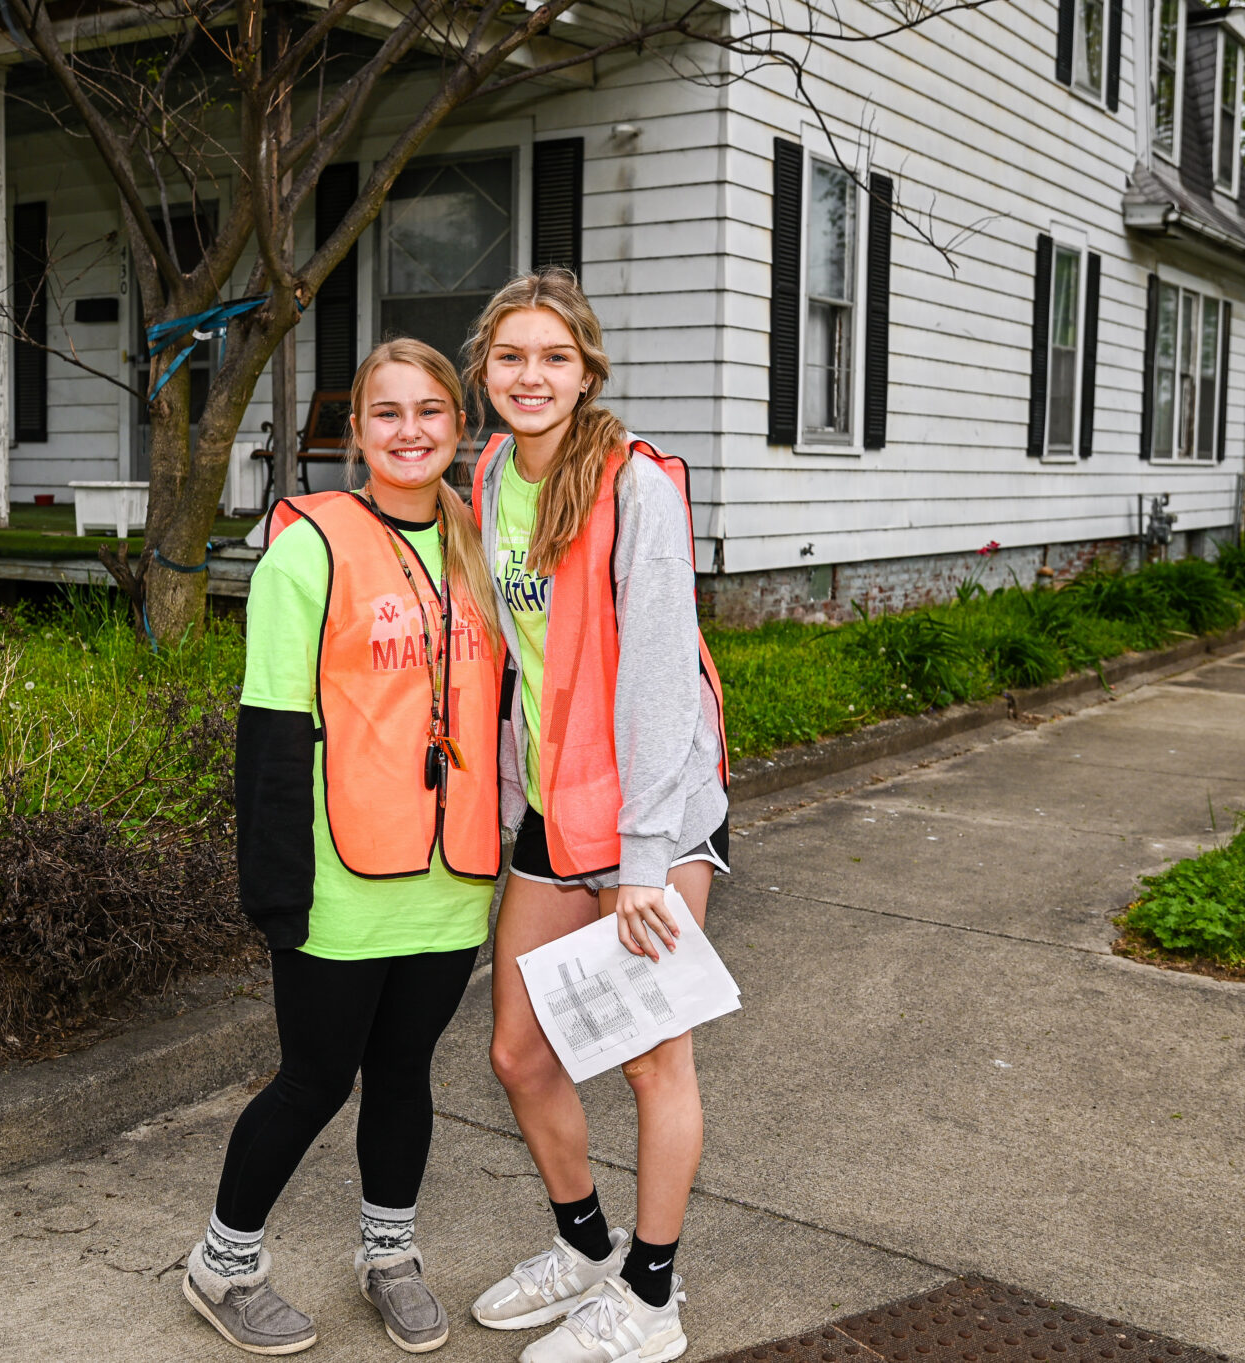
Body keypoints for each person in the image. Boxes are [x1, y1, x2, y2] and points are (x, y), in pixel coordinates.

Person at [183, 338, 502, 1356]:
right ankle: (222, 1264)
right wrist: (277, 890)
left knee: (404, 1070)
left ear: (461, 426)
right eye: (386, 413)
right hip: (337, 877)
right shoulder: (307, 548)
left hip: (451, 878)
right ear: (353, 430)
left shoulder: (478, 544)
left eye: (430, 412)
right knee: (314, 1077)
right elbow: (270, 732)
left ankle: (387, 1252)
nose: (410, 432)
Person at [464, 269, 729, 1363]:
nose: (531, 377)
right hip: (552, 808)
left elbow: (661, 681)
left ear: (587, 371)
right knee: (520, 1054)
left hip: (649, 822)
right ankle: (584, 1247)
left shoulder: (634, 488)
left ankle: (651, 1298)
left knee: (645, 1059)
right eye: (510, 357)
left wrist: (642, 860)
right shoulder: (488, 473)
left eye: (553, 358)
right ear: (484, 369)